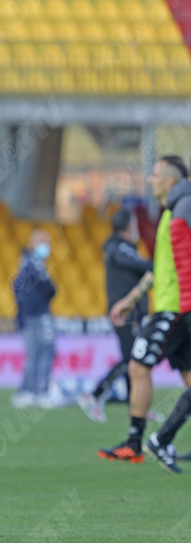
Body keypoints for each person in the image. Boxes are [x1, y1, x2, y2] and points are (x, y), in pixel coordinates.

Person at [100, 156, 191, 471]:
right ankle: (148, 442)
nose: (149, 179)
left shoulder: (183, 209)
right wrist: (131, 298)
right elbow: (160, 271)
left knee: (138, 364)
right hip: (172, 305)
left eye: (154, 174)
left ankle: (138, 443)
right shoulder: (170, 214)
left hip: (176, 309)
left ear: (169, 181)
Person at [78, 209, 152, 423]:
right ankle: (95, 395)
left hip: (131, 312)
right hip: (125, 313)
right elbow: (142, 266)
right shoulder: (119, 248)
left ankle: (136, 406)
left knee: (133, 359)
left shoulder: (119, 248)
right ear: (129, 226)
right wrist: (161, 267)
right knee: (132, 358)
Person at [11, 229, 58, 408]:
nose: (47, 246)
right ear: (32, 244)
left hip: (29, 315)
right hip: (38, 315)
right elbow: (50, 287)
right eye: (43, 241)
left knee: (35, 352)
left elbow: (16, 287)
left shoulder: (24, 262)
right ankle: (40, 392)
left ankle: (28, 391)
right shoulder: (34, 263)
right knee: (45, 351)